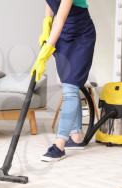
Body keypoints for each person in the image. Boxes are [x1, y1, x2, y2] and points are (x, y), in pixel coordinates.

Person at [31, 0, 96, 162]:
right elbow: (50, 7)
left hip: (81, 35)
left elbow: (60, 19)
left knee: (70, 89)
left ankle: (59, 145)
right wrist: (46, 25)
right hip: (63, 36)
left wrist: (45, 52)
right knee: (70, 86)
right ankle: (76, 137)